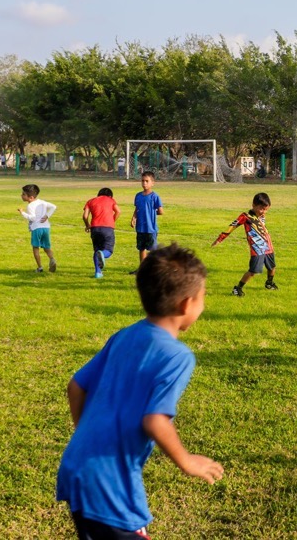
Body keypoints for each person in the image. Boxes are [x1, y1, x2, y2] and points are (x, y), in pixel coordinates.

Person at [56, 243, 224, 538]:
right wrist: (186, 461)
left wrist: (89, 437)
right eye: (203, 298)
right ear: (187, 304)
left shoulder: (124, 335)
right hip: (111, 482)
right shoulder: (177, 356)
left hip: (76, 466)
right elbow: (155, 420)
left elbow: (76, 386)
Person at [212, 192, 277, 296]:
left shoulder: (262, 216)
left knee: (272, 267)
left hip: (268, 247)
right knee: (253, 271)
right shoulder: (245, 217)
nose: (263, 212)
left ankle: (269, 283)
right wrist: (220, 239)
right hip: (257, 249)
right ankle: (238, 288)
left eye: (266, 209)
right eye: (261, 209)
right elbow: (232, 227)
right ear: (253, 205)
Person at [130, 171, 164, 275]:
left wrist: (151, 213)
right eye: (143, 181)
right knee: (141, 248)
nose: (144, 183)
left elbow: (161, 211)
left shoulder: (155, 196)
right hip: (140, 228)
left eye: (147, 181)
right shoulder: (138, 196)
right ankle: (142, 269)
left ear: (152, 183)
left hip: (151, 228)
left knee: (153, 250)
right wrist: (134, 218)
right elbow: (137, 209)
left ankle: (156, 269)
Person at [18, 184, 57, 273]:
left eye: (23, 194)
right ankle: (52, 259)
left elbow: (33, 218)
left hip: (36, 228)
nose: (21, 196)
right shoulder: (42, 202)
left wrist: (22, 213)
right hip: (46, 227)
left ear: (31, 197)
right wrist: (47, 216)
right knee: (47, 247)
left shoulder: (30, 206)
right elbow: (54, 207)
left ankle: (40, 268)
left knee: (35, 248)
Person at [83, 188, 121, 279]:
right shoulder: (111, 200)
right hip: (107, 228)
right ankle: (103, 254)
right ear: (110, 196)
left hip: (95, 228)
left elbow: (85, 216)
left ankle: (98, 273)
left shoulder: (90, 201)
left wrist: (88, 225)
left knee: (97, 251)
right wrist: (112, 220)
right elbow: (118, 211)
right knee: (108, 250)